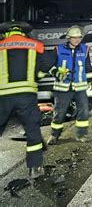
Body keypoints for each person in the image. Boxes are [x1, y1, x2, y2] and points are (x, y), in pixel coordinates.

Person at [0, 22, 49, 178]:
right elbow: (47, 64)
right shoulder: (36, 46)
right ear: (23, 33)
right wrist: (37, 77)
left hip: (3, 96)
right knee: (32, 129)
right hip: (26, 95)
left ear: (7, 33)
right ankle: (35, 168)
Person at [47, 25, 92, 144]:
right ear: (69, 38)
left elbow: (88, 67)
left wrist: (91, 80)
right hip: (62, 87)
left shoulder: (85, 49)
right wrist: (56, 73)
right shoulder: (58, 49)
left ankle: (82, 134)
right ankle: (54, 135)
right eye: (74, 38)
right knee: (59, 112)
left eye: (79, 38)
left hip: (80, 87)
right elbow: (49, 66)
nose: (77, 40)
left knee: (83, 111)